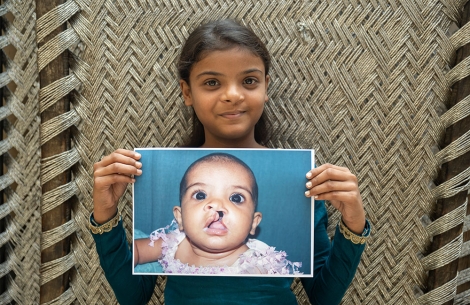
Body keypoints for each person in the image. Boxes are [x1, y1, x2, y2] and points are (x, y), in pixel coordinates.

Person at [91, 19, 370, 304]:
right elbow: (133, 297)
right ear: (187, 92)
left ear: (265, 86)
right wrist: (105, 215)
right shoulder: (168, 229)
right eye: (212, 83)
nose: (233, 95)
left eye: (249, 81)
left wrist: (353, 224)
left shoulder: (300, 184)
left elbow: (324, 298)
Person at [134, 152, 302, 275]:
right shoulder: (171, 244)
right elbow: (134, 251)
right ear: (180, 217)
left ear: (253, 223)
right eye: (200, 195)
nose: (217, 205)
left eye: (236, 198)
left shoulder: (257, 267)